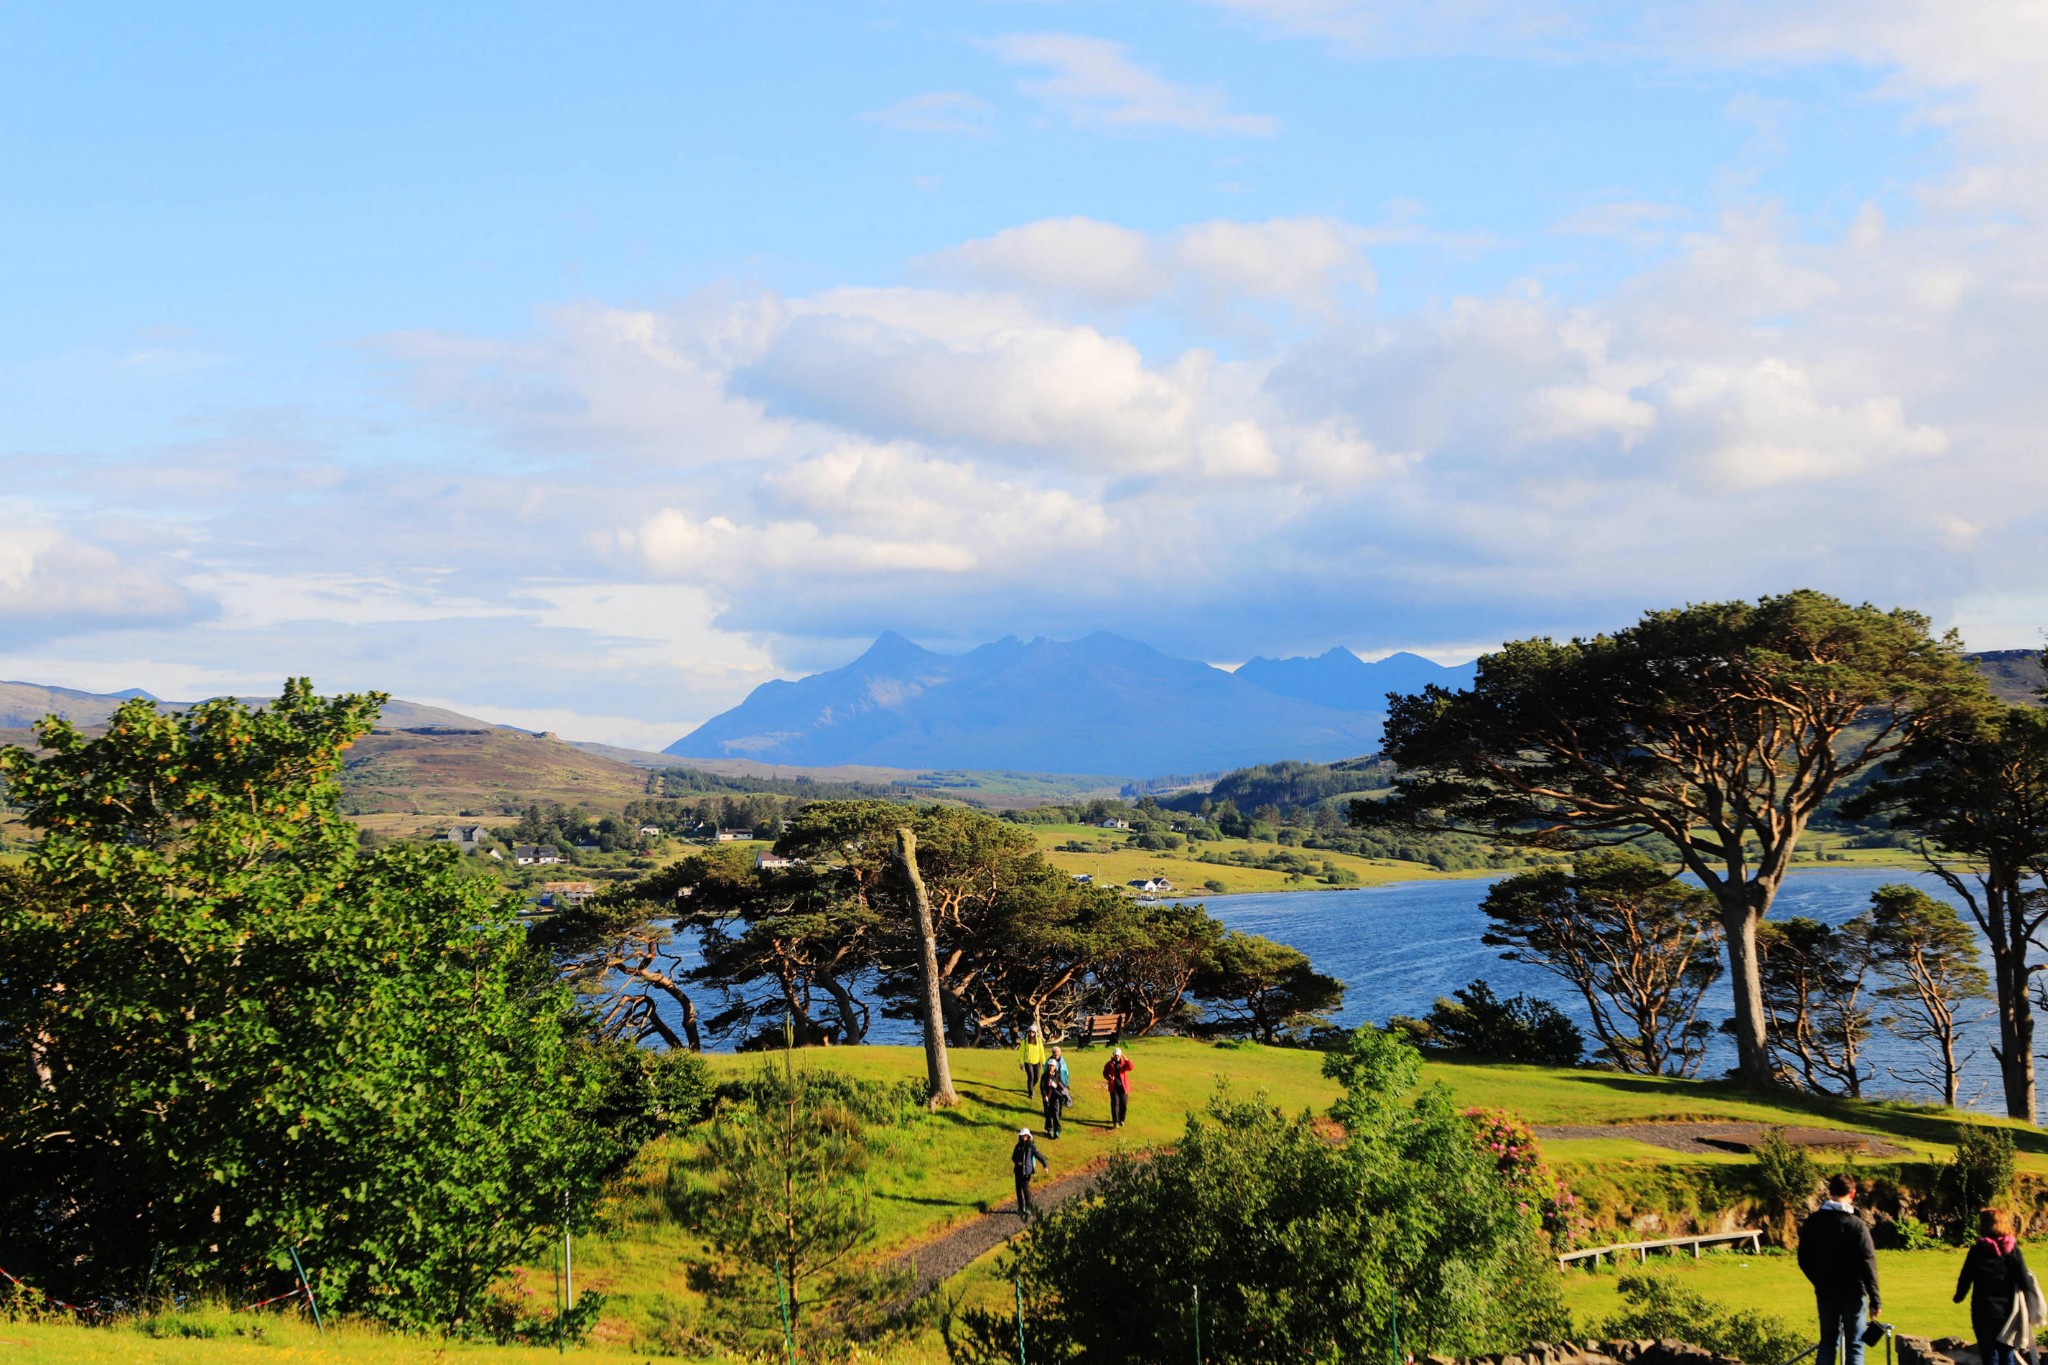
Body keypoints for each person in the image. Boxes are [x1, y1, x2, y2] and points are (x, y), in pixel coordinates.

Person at [1797, 1173, 1881, 1365]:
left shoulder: (1814, 1222)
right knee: (1856, 1345)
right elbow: (1868, 1263)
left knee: (1827, 1342)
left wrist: (1819, 1280)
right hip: (1853, 1293)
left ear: (1829, 1192)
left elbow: (1803, 1259)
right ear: (1852, 1194)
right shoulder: (1857, 1226)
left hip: (1826, 1292)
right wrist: (1875, 1299)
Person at [1956, 1207, 2040, 1365]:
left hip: (1983, 1309)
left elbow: (1965, 1277)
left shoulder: (1977, 1251)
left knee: (1989, 1355)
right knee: (2007, 1353)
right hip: (2008, 1311)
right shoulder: (2013, 1251)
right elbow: (2023, 1280)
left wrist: (1959, 1296)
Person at [1011, 1127, 1048, 1218]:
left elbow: (1038, 1155)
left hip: (1026, 1171)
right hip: (1018, 1171)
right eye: (1022, 1135)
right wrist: (1017, 1162)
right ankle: (1021, 1207)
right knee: (1018, 1190)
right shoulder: (1018, 1146)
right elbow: (1013, 1157)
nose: (1023, 1137)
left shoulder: (1031, 1146)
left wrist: (1045, 1165)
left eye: (1025, 1135)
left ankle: (1028, 1207)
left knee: (1025, 1190)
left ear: (1028, 1136)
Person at [1102, 1046, 1133, 1129]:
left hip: (1123, 1087)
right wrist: (1109, 1077)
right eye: (1116, 1055)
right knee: (1115, 1104)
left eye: (1118, 1055)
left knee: (1123, 1104)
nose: (1117, 1057)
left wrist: (1127, 1060)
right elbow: (1105, 1073)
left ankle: (1122, 1120)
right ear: (1113, 1055)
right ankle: (1115, 1122)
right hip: (1114, 1087)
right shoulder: (1109, 1064)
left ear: (1121, 1055)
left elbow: (1131, 1067)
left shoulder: (1123, 1063)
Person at [1040, 1061, 1070, 1138]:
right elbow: (1042, 1087)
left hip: (1056, 1097)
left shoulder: (1057, 1075)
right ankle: (1049, 1129)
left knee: (1056, 1114)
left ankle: (1057, 1130)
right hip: (1047, 1097)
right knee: (1048, 1114)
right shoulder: (1044, 1076)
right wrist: (1044, 1096)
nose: (1051, 1067)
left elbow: (1062, 1086)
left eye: (1052, 1066)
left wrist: (1055, 1085)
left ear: (1055, 1067)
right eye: (1049, 1066)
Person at [1019, 1025, 1046, 1097]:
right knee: (1031, 1077)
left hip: (1037, 1062)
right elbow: (1022, 1053)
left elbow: (1041, 1052)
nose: (1031, 1034)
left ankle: (1030, 1087)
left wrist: (1043, 1062)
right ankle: (1031, 1093)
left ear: (1035, 1033)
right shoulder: (1024, 1041)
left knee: (1037, 1077)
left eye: (1033, 1032)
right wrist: (1021, 1063)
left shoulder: (1039, 1041)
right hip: (1028, 1062)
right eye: (1030, 1032)